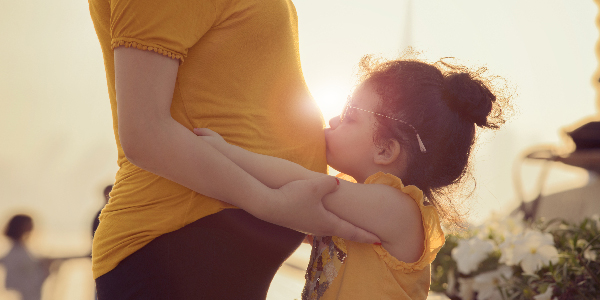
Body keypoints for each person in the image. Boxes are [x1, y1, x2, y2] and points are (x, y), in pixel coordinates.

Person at [88, 0, 378, 299]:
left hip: (203, 250)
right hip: (174, 246)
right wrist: (273, 205)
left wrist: (296, 209)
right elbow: (145, 133)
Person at [194, 54, 511, 299]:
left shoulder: (397, 209)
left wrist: (226, 152)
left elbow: (298, 181)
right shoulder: (366, 203)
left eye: (349, 116)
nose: (332, 119)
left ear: (385, 150)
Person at [0, 215, 51, 300]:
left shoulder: (24, 249)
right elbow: (13, 283)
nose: (32, 227)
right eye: (29, 225)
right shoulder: (15, 252)